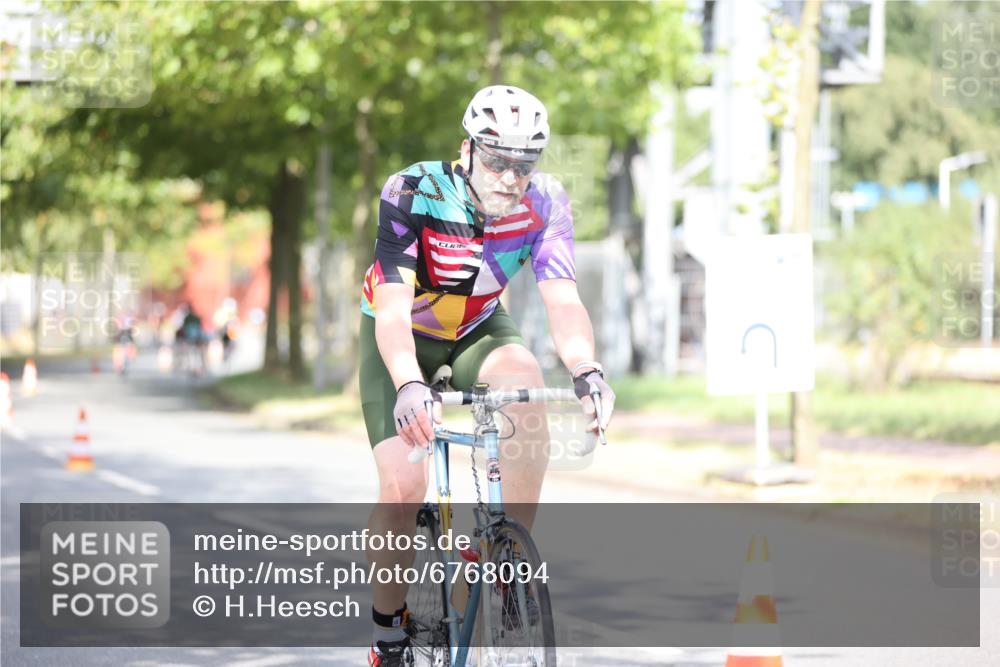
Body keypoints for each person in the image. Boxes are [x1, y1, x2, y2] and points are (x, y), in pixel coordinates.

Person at [360, 84, 615, 666]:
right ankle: (387, 634)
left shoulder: (546, 202)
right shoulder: (413, 191)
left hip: (477, 323)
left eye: (524, 165)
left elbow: (563, 299)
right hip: (402, 331)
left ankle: (505, 565)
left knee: (526, 384)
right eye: (497, 161)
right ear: (467, 150)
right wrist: (408, 383)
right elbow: (393, 310)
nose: (510, 178)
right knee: (403, 486)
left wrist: (586, 368)